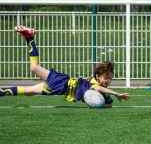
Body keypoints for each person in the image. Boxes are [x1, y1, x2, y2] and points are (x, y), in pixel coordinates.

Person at [0, 26, 131, 108]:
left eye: (110, 79)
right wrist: (117, 93)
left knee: (34, 70)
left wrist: (102, 104)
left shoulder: (96, 84)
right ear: (98, 76)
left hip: (62, 81)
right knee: (30, 87)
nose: (108, 81)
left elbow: (109, 104)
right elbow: (97, 88)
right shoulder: (94, 84)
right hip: (61, 86)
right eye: (106, 78)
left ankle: (29, 38)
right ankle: (2, 91)